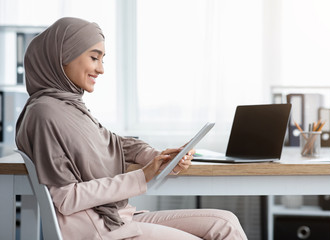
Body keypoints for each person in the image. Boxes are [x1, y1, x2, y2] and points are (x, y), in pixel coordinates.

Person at [15, 17, 248, 240]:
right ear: (62, 56)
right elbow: (66, 198)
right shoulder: (45, 113)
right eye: (94, 58)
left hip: (117, 218)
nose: (101, 69)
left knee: (225, 222)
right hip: (100, 229)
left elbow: (113, 142)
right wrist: (143, 176)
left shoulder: (69, 107)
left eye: (102, 60)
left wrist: (159, 157)